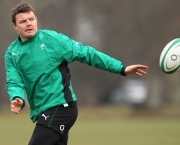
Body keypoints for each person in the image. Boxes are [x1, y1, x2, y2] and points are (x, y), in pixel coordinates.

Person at [4, 1, 148, 145]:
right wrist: (17, 98)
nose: (29, 23)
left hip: (61, 106)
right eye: (23, 21)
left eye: (31, 19)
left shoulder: (53, 40)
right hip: (42, 111)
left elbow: (87, 54)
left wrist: (121, 68)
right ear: (15, 26)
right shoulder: (12, 53)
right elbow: (14, 81)